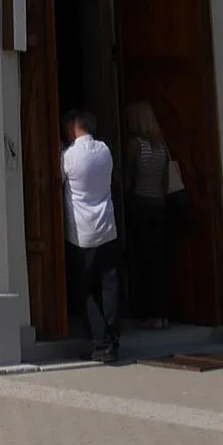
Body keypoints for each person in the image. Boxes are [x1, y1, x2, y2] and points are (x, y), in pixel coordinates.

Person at [59, 111, 122, 362]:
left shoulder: (70, 156)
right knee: (109, 286)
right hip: (107, 226)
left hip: (82, 232)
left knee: (85, 290)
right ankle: (113, 337)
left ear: (75, 127)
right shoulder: (105, 150)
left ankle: (102, 343)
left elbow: (58, 176)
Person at [122, 99, 185, 326]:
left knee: (143, 261)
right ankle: (163, 314)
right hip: (160, 207)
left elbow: (130, 179)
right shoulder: (161, 146)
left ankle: (148, 313)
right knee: (159, 262)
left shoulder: (136, 145)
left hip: (141, 206)